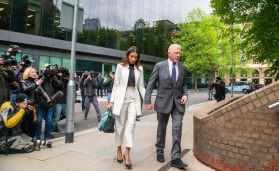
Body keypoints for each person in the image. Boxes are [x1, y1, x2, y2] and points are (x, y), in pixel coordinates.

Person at [144, 44, 188, 169]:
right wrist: (147, 100)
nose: (178, 55)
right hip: (163, 103)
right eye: (176, 53)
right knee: (161, 129)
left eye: (179, 53)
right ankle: (159, 151)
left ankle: (176, 158)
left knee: (177, 130)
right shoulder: (159, 66)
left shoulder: (183, 68)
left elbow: (184, 84)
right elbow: (151, 84)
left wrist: (185, 94)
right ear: (169, 53)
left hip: (178, 104)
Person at [107, 46, 145, 170]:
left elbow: (141, 86)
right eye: (131, 56)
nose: (133, 59)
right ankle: (119, 148)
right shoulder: (120, 67)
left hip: (134, 98)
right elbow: (116, 85)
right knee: (120, 126)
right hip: (121, 98)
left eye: (136, 57)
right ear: (127, 56)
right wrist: (111, 101)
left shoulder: (140, 69)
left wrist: (147, 100)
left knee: (131, 125)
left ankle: (127, 153)